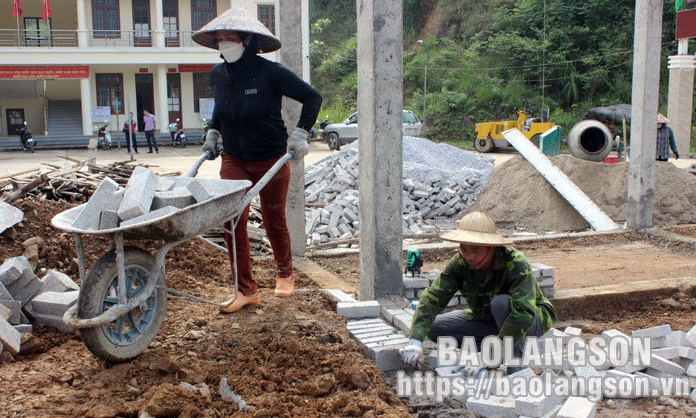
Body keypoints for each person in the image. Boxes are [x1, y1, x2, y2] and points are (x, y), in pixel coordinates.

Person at [192, 7, 322, 313]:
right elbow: (222, 108)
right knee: (232, 220)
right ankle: (245, 290)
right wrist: (213, 131)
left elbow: (312, 97)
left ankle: (285, 272)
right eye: (220, 39)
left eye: (230, 38)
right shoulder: (218, 74)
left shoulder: (271, 73)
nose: (224, 44)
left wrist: (301, 133)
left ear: (248, 40)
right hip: (234, 157)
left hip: (270, 157)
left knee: (273, 217)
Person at [400, 211, 557, 372]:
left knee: (501, 304)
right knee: (437, 328)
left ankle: (516, 370)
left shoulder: (516, 263)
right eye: (464, 249)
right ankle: (496, 350)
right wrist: (416, 340)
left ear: (491, 247)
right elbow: (433, 299)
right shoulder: (460, 263)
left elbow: (524, 314)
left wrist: (488, 355)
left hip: (531, 319)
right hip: (489, 319)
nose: (469, 256)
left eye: (476, 250)